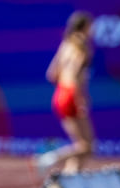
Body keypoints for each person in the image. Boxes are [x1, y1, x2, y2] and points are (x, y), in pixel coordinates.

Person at [35, 11, 96, 175]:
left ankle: (70, 176)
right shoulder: (81, 46)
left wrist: (65, 80)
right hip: (72, 94)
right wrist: (80, 98)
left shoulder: (65, 44)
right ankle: (51, 159)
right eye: (91, 26)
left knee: (81, 144)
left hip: (61, 93)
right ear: (85, 27)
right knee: (86, 146)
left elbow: (51, 74)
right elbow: (76, 76)